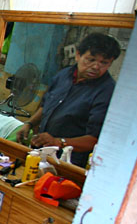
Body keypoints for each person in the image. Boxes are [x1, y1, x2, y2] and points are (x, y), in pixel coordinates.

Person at [15, 33, 121, 167]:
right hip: (41, 153)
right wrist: (29, 124)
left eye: (104, 63)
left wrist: (60, 142)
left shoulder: (107, 92)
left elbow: (94, 139)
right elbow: (46, 106)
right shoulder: (64, 75)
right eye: (91, 59)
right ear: (78, 55)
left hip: (70, 163)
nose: (96, 67)